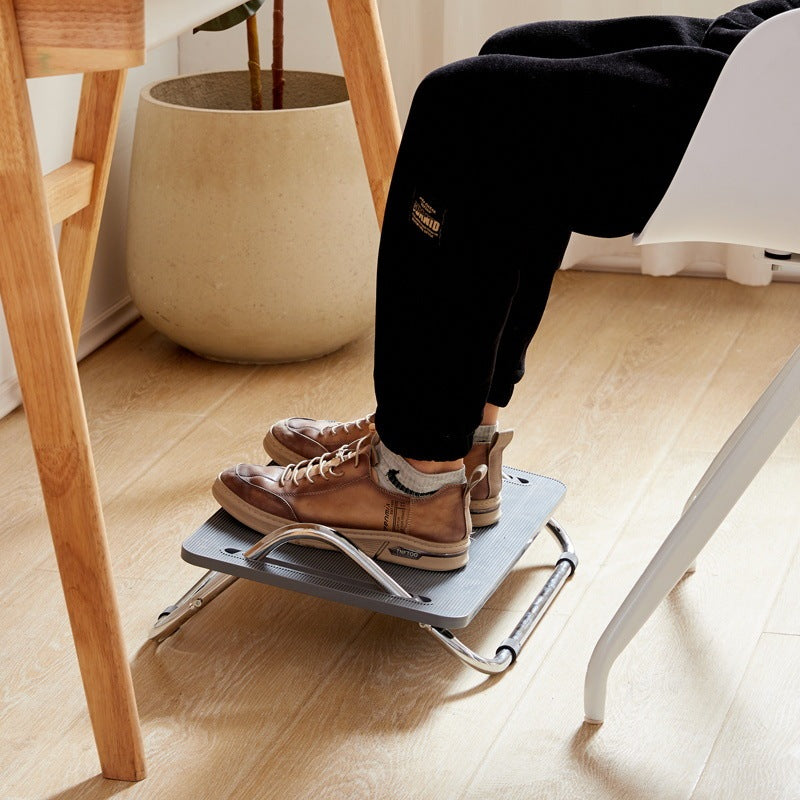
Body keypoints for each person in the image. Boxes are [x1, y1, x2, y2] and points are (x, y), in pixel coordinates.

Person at [213, 1, 799, 572]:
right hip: (771, 42)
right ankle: (463, 440)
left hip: (783, 99)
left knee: (464, 108)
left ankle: (411, 477)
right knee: (518, 54)